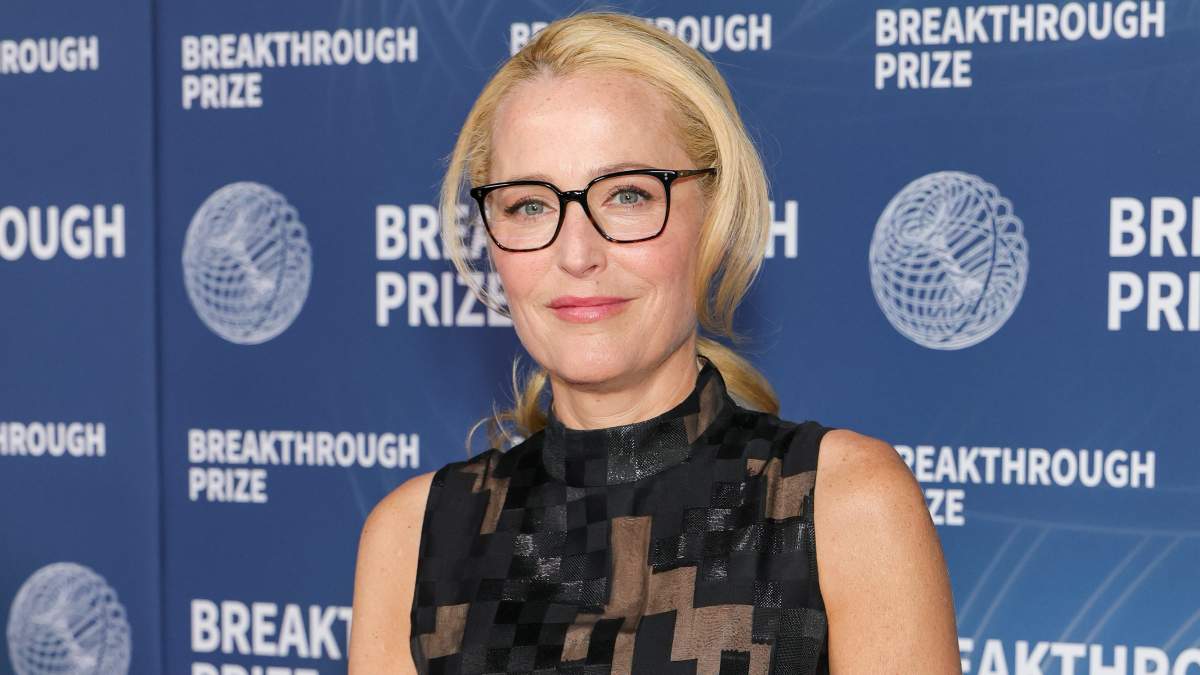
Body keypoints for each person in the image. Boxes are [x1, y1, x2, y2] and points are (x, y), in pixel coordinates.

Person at [349, 10, 960, 674]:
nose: (576, 253)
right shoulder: (415, 537)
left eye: (628, 196)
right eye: (530, 204)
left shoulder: (840, 504)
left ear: (715, 217)